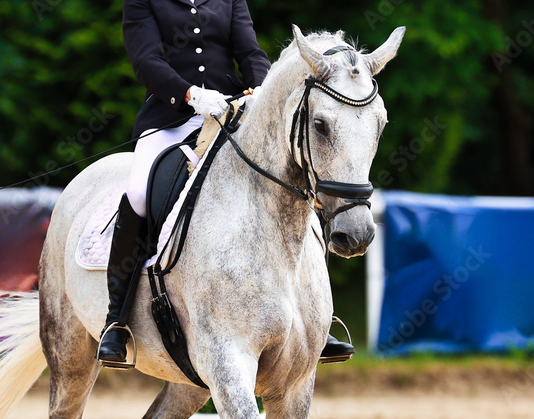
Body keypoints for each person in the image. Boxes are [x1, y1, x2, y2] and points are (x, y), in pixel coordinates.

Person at [97, 0, 355, 367]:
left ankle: (315, 318)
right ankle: (117, 320)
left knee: (290, 184)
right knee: (139, 193)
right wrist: (190, 94)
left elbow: (250, 52)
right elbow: (146, 60)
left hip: (231, 111)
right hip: (170, 118)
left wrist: (262, 90)